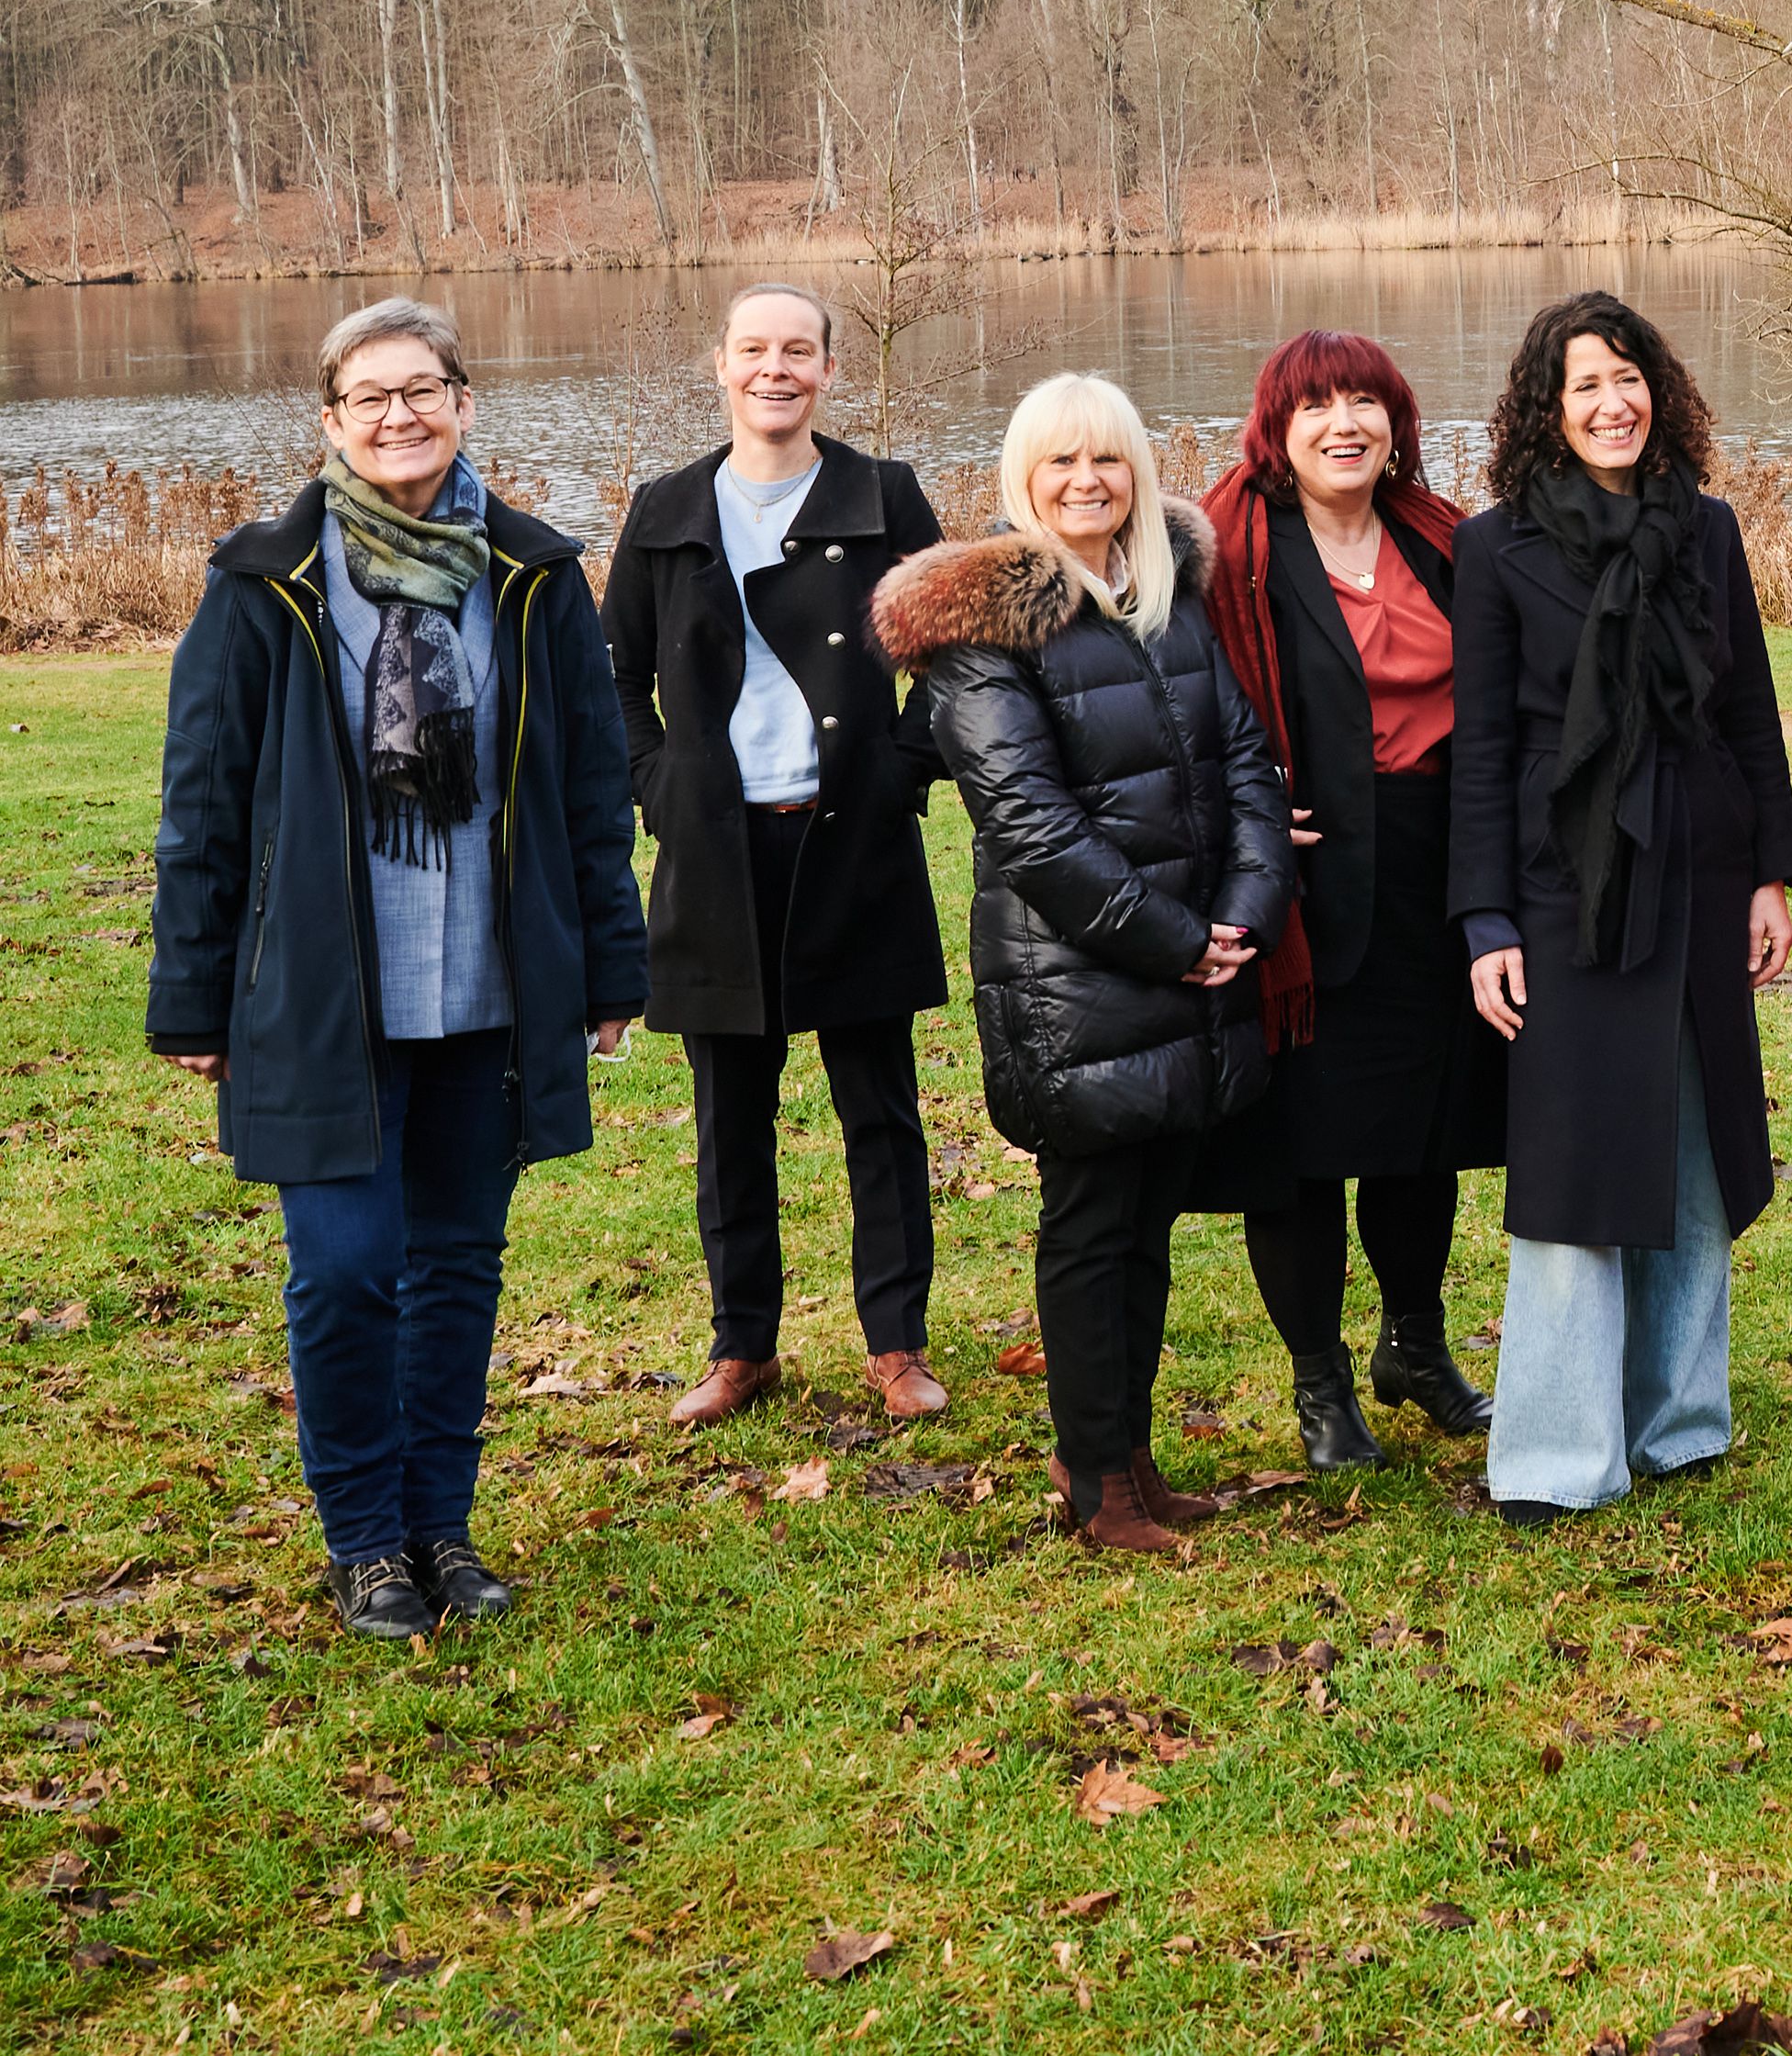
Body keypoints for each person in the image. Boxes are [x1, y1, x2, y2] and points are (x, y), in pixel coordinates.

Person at [149, 298, 645, 1640]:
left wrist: (608, 966)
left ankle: (441, 1526)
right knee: (347, 1271)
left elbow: (589, 788)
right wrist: (191, 994)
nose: (398, 415)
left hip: (486, 985)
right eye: (368, 396)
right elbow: (203, 802)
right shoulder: (264, 584)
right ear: (330, 422)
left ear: (464, 403)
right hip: (322, 995)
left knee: (457, 1268)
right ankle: (365, 1540)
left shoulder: (535, 574)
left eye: (421, 389)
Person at [871, 374, 1294, 1557]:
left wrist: (1244, 913)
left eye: (1106, 458)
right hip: (1077, 983)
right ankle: (1093, 1474)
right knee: (1094, 1226)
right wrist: (1177, 940)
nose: (1086, 481)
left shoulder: (1167, 597)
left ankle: (1127, 1457)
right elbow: (1031, 825)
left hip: (1191, 967)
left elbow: (1248, 764)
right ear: (1024, 477)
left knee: (1149, 1223)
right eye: (1059, 462)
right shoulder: (982, 631)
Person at [1450, 295, 1792, 1526]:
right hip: (1566, 886)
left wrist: (1768, 873)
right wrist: (1486, 920)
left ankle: (1680, 1422)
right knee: (1572, 1166)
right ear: (1546, 411)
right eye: (1585, 385)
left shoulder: (1705, 529)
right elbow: (1481, 748)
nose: (1613, 403)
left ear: (1659, 388)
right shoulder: (1494, 548)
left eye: (1628, 377)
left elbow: (1748, 713)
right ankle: (1557, 1454)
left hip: (1701, 869)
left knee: (1697, 1153)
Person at [604, 283, 953, 1432]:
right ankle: (741, 1346)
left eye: (797, 350)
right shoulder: (664, 508)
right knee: (729, 1118)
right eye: (753, 349)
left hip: (852, 839)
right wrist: (660, 782)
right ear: (720, 364)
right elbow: (615, 678)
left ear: (829, 370)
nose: (775, 369)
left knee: (879, 1111)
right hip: (714, 850)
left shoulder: (882, 495)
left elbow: (953, 650)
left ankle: (896, 1343)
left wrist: (901, 767)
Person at [1199, 331, 1505, 1471]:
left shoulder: (1443, 540)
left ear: (1396, 421)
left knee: (1425, 1129)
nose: (1345, 424)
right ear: (1276, 428)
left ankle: (1414, 1346)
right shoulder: (1228, 553)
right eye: (1317, 405)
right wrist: (1239, 808)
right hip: (1307, 887)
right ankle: (1320, 1381)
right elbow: (1177, 696)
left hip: (1438, 871)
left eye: (1365, 402)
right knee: (1306, 1142)